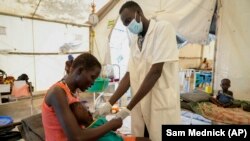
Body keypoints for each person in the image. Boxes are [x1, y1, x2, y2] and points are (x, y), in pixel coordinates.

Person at [94, 1, 181, 141]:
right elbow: (129, 75)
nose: (128, 26)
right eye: (125, 24)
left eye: (129, 20)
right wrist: (110, 103)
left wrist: (128, 107)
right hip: (141, 103)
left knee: (159, 136)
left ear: (139, 13)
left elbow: (155, 72)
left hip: (160, 102)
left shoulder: (163, 29)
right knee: (143, 137)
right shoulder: (135, 41)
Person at [41, 53, 123, 141]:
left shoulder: (72, 92)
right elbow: (76, 137)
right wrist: (111, 125)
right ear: (80, 71)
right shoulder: (57, 92)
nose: (92, 83)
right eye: (92, 77)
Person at [70, 101, 151, 141]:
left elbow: (113, 129)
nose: (81, 107)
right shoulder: (85, 133)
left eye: (81, 106)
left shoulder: (98, 120)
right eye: (80, 108)